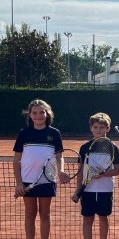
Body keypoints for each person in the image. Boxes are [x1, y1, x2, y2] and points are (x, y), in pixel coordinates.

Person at [13, 99, 70, 239]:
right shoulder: (23, 133)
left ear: (47, 113)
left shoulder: (55, 133)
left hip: (47, 180)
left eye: (41, 112)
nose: (38, 116)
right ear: (30, 115)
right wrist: (19, 183)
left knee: (45, 214)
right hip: (27, 179)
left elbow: (59, 157)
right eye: (35, 113)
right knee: (30, 214)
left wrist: (61, 171)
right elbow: (16, 160)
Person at [71, 112, 119, 239]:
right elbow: (81, 170)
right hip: (87, 190)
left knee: (103, 218)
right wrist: (78, 189)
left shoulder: (113, 148)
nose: (99, 130)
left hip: (105, 189)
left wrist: (103, 174)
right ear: (91, 128)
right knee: (87, 219)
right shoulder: (84, 148)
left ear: (108, 128)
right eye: (96, 127)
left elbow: (118, 170)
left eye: (102, 127)